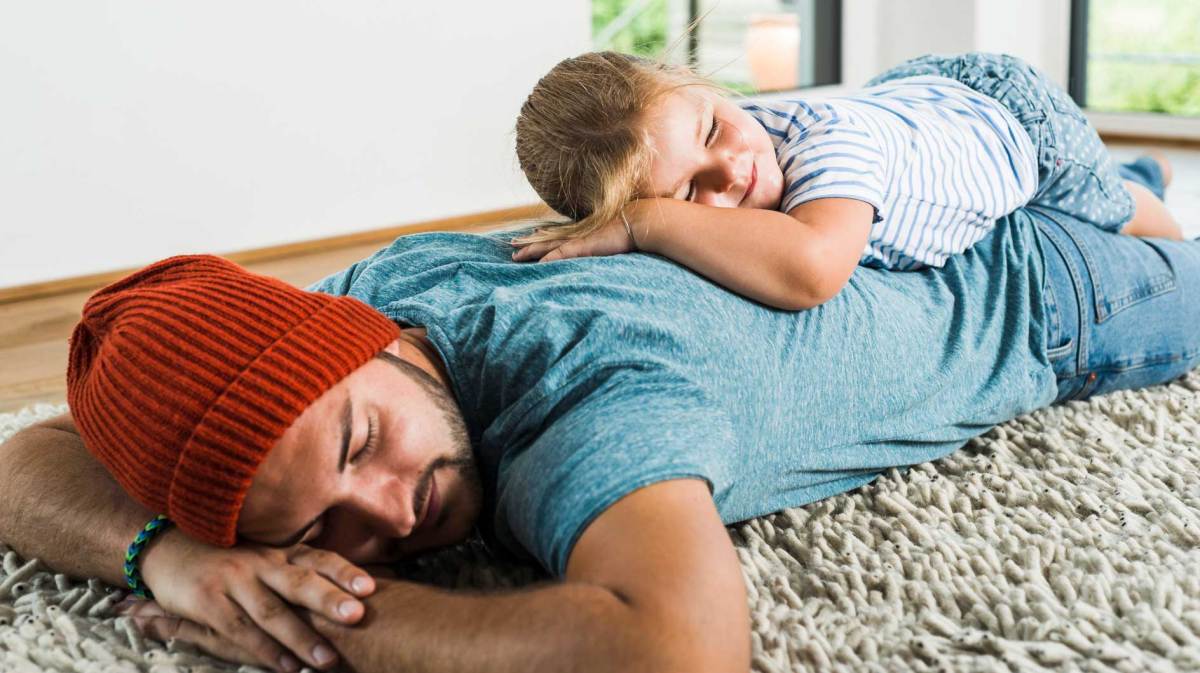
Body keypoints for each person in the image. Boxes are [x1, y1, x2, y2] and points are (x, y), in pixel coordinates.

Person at [0, 161, 1196, 673]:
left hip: (1054, 295)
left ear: (380, 343)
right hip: (888, 232)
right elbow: (24, 455)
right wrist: (176, 557)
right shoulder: (365, 303)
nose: (391, 513)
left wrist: (311, 622)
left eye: (362, 446)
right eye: (318, 532)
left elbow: (672, 648)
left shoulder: (582, 393)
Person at [511, 52, 1183, 310]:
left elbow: (812, 270)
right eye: (690, 192)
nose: (734, 172)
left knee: (1115, 210)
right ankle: (1145, 165)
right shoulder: (732, 146)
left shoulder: (831, 146)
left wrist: (650, 219)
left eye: (713, 131)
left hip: (1017, 124)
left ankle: (1158, 203)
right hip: (915, 106)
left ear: (702, 86)